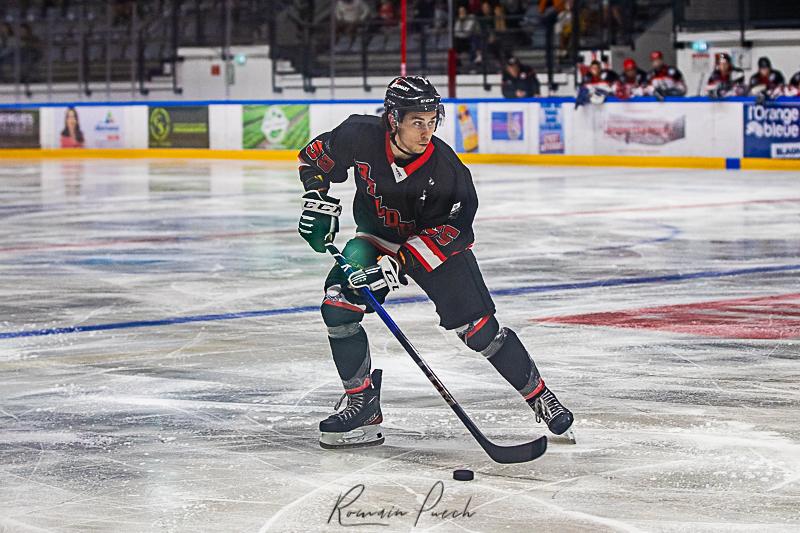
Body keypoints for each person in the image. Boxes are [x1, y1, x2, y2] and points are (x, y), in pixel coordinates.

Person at [296, 76, 574, 449]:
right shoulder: (358, 134)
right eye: (417, 122)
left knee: (479, 330)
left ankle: (539, 394)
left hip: (435, 248)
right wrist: (317, 198)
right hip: (376, 238)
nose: (426, 132)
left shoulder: (447, 170)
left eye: (432, 121)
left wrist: (400, 264)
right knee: (338, 306)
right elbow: (314, 158)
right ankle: (363, 405)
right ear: (393, 119)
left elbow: (454, 230)